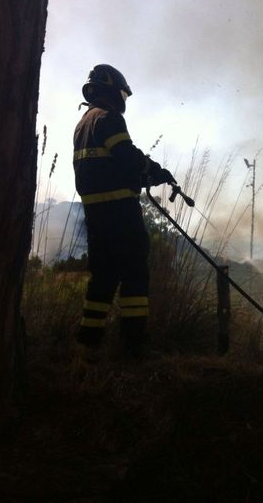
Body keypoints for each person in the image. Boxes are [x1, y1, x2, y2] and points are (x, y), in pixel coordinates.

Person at [72, 64, 175, 359]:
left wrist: (140, 175)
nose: (123, 101)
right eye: (122, 95)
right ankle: (133, 344)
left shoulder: (83, 124)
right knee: (134, 273)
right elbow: (127, 157)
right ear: (111, 91)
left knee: (103, 275)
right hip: (120, 212)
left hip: (95, 215)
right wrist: (153, 170)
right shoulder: (109, 118)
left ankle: (88, 342)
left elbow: (106, 165)